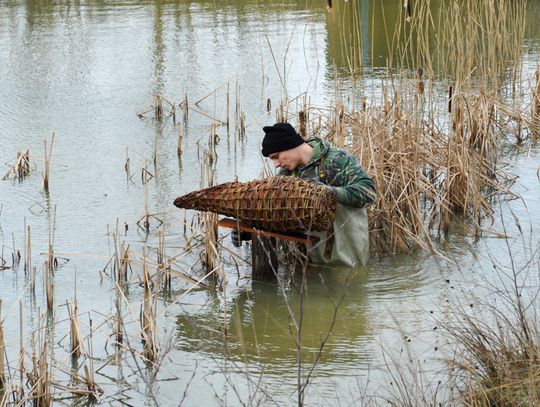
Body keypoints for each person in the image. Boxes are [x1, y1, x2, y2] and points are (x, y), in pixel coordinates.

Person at [232, 122, 376, 267]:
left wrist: (330, 192)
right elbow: (276, 214)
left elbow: (369, 192)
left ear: (290, 145)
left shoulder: (338, 159)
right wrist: (248, 229)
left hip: (347, 259)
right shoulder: (286, 176)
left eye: (276, 156)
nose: (276, 164)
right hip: (308, 263)